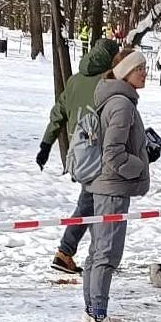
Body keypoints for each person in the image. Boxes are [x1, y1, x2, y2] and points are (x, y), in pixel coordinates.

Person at [80, 49, 150, 322]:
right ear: (124, 73)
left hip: (104, 185)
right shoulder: (121, 104)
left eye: (146, 67)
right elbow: (113, 153)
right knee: (106, 252)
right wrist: (139, 166)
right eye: (140, 69)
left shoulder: (114, 99)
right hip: (112, 187)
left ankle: (90, 311)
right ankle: (98, 314)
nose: (145, 73)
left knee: (97, 251)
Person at [37, 37, 121, 274]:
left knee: (95, 203)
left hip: (79, 153)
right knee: (90, 204)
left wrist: (46, 144)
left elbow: (58, 114)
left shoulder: (74, 80)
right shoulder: (108, 82)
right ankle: (66, 252)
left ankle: (95, 254)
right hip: (101, 153)